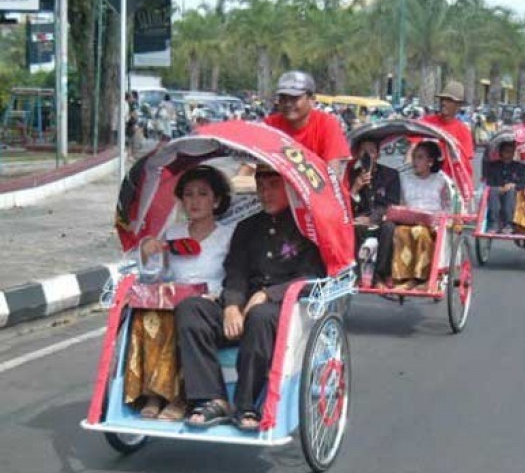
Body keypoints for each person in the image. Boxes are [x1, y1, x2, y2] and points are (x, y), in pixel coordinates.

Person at [175, 166, 326, 431]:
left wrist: (268, 294)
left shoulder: (307, 227)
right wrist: (232, 305)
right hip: (240, 302)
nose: (265, 193)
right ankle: (213, 398)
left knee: (260, 315)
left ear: (289, 187)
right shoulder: (247, 227)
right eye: (261, 186)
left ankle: (246, 405)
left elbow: (312, 275)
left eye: (273, 186)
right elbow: (235, 271)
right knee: (191, 309)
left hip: (282, 308)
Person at [124, 166, 233, 421]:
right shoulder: (173, 234)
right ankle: (153, 394)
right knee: (147, 314)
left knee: (186, 316)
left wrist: (220, 297)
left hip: (209, 306)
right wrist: (148, 254)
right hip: (172, 300)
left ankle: (181, 397)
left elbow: (238, 277)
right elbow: (155, 277)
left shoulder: (229, 237)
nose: (194, 201)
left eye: (203, 194)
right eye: (188, 195)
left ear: (216, 200)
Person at [375, 141, 450, 290]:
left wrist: (439, 218)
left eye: (420, 158)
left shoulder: (442, 180)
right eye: (414, 157)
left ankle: (420, 277)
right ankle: (399, 276)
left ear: (430, 161)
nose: (415, 161)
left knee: (420, 232)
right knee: (397, 231)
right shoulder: (404, 178)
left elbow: (448, 205)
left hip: (431, 223)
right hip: (407, 219)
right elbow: (398, 201)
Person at [264, 71, 351, 176]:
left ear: (312, 100)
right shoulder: (270, 125)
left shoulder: (327, 124)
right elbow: (249, 166)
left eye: (294, 98)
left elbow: (334, 174)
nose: (287, 104)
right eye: (283, 98)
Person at [347, 138, 401, 284]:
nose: (367, 156)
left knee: (389, 228)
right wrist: (355, 189)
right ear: (358, 155)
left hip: (382, 219)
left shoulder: (391, 175)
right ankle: (355, 275)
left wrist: (373, 218)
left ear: (378, 155)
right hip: (360, 220)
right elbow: (346, 206)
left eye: (371, 152)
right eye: (364, 152)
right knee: (350, 227)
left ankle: (380, 275)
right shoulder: (352, 175)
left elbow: (392, 204)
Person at [421, 81, 475, 179]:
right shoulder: (425, 123)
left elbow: (463, 164)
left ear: (458, 105)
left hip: (448, 182)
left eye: (449, 100)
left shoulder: (463, 131)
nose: (443, 103)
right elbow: (412, 148)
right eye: (442, 99)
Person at [483, 139, 525, 233]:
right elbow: (489, 181)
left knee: (510, 192)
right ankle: (493, 223)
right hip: (497, 190)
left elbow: (523, 183)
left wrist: (514, 185)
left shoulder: (520, 167)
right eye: (506, 151)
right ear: (500, 152)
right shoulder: (492, 166)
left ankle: (508, 223)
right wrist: (499, 188)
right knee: (493, 190)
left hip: (514, 193)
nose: (508, 154)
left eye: (511, 152)